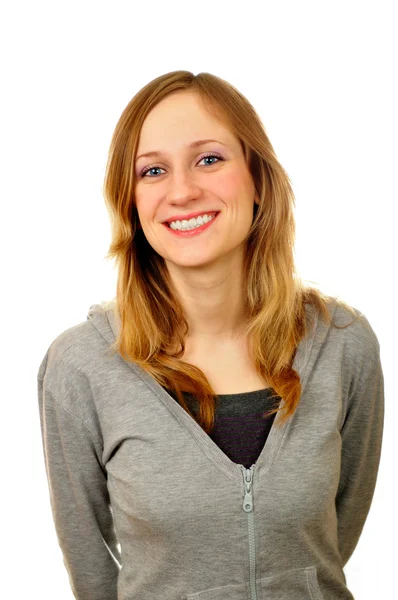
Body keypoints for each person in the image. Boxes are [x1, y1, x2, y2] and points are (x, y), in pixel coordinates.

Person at [37, 70, 384, 600]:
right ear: (130, 203)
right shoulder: (81, 365)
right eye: (152, 171)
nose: (181, 191)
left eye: (209, 159)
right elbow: (89, 563)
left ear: (257, 179)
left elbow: (333, 537)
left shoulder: (343, 344)